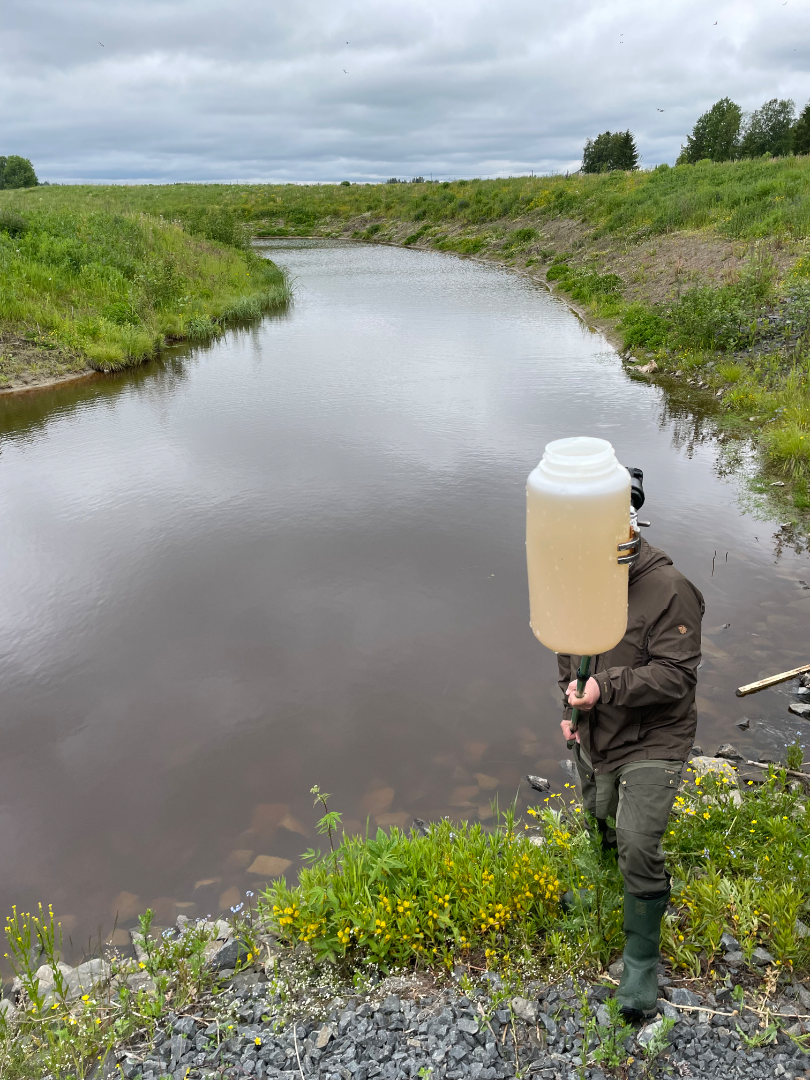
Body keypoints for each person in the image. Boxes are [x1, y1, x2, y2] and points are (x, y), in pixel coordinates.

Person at [557, 483, 704, 1020]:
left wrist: (605, 689)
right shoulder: (578, 576)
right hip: (597, 728)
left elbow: (676, 677)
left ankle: (641, 960)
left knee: (638, 842)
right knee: (600, 815)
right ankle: (602, 887)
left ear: (629, 528)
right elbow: (567, 648)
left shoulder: (670, 588)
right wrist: (570, 708)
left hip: (654, 735)